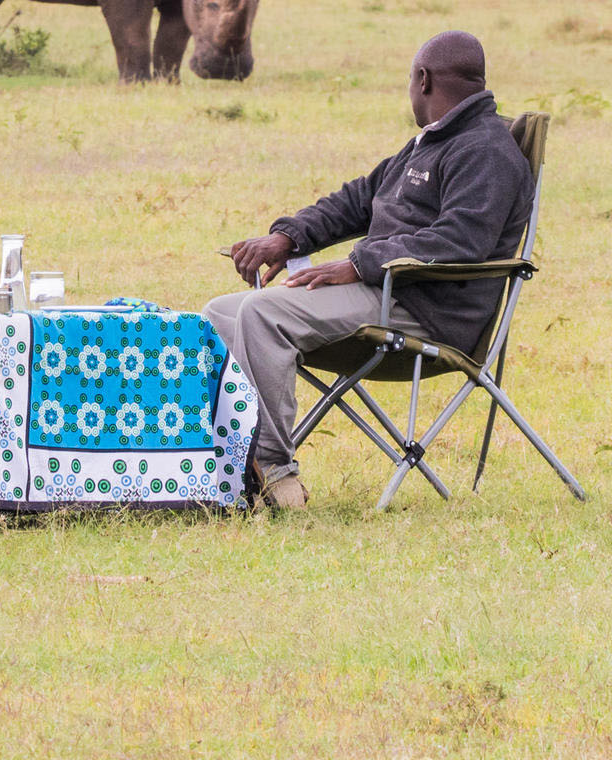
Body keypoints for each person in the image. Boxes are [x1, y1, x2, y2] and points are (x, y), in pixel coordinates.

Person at [204, 30, 533, 511]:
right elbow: (361, 198)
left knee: (262, 314)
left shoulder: (485, 151)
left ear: (422, 79)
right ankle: (233, 464)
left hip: (426, 311)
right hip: (386, 292)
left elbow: (463, 242)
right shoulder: (431, 142)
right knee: (220, 314)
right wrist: (288, 237)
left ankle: (274, 471)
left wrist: (358, 264)